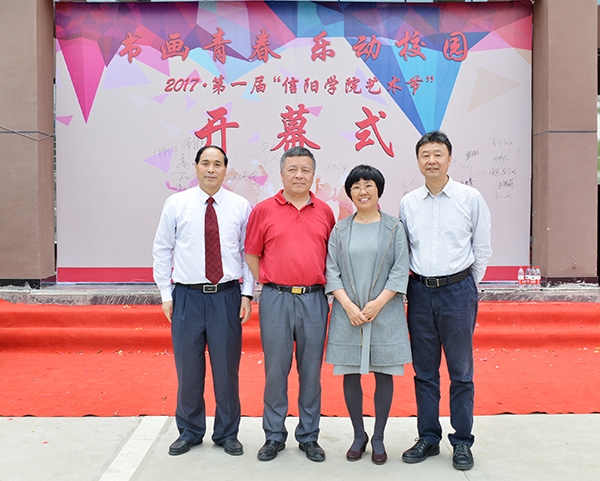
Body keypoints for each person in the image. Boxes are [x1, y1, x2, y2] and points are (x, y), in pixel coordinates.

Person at [152, 145, 254, 457]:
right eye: (205, 163)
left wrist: (247, 293)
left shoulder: (240, 206)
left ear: (226, 170)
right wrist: (166, 294)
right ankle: (189, 431)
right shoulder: (176, 203)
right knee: (188, 370)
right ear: (196, 167)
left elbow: (248, 253)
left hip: (226, 296)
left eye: (218, 164)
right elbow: (162, 249)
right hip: (187, 297)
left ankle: (227, 433)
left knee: (226, 371)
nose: (211, 169)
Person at [399, 131, 492, 470]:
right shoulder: (408, 203)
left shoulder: (470, 198)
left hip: (457, 292)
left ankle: (462, 440)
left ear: (450, 159)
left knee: (461, 371)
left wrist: (465, 286)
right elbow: (405, 250)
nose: (432, 160)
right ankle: (428, 437)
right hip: (420, 292)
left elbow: (481, 248)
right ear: (418, 161)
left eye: (438, 154)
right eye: (425, 155)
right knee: (424, 372)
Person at [245, 146, 335, 462]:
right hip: (276, 299)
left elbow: (332, 257)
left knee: (311, 372)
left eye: (305, 170)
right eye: (292, 169)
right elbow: (251, 254)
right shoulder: (264, 210)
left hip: (314, 300)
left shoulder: (325, 212)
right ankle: (273, 436)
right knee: (275, 370)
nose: (299, 175)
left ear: (314, 175)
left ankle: (309, 437)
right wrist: (270, 280)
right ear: (282, 173)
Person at [325, 164, 411, 465]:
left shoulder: (394, 228)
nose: (362, 191)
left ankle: (378, 437)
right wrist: (348, 306)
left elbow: (400, 269)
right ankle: (358, 434)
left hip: (384, 311)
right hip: (348, 311)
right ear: (350, 193)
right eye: (356, 186)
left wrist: (378, 303)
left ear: (378, 191)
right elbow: (331, 271)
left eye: (368, 185)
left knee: (384, 372)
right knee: (350, 372)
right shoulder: (340, 229)